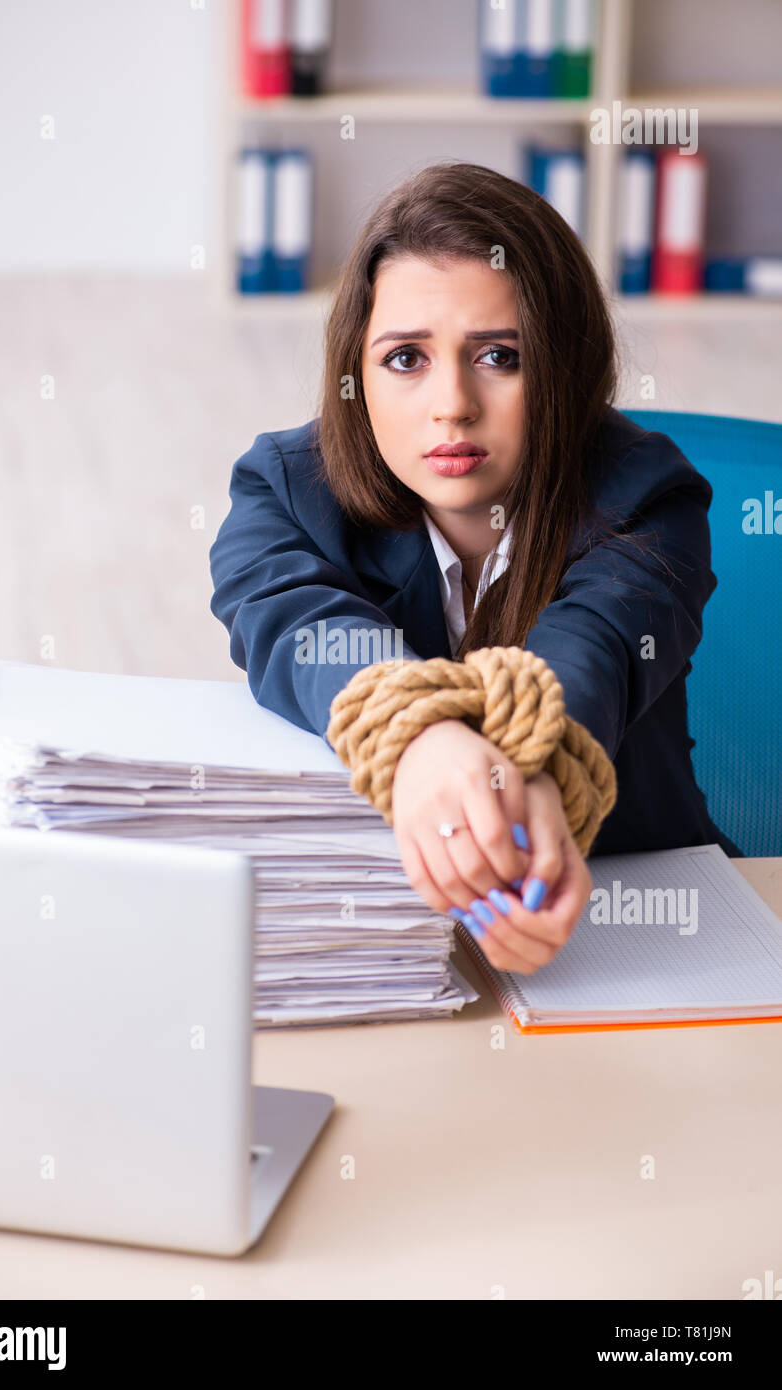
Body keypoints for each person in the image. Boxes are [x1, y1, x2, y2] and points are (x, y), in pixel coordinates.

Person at [210, 161, 740, 976]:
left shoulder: (647, 494)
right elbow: (296, 624)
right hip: (372, 936)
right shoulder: (283, 489)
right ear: (355, 371)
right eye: (405, 359)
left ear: (564, 366)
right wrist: (420, 742)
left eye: (497, 356)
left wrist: (532, 768)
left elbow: (593, 645)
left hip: (641, 923)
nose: (451, 403)